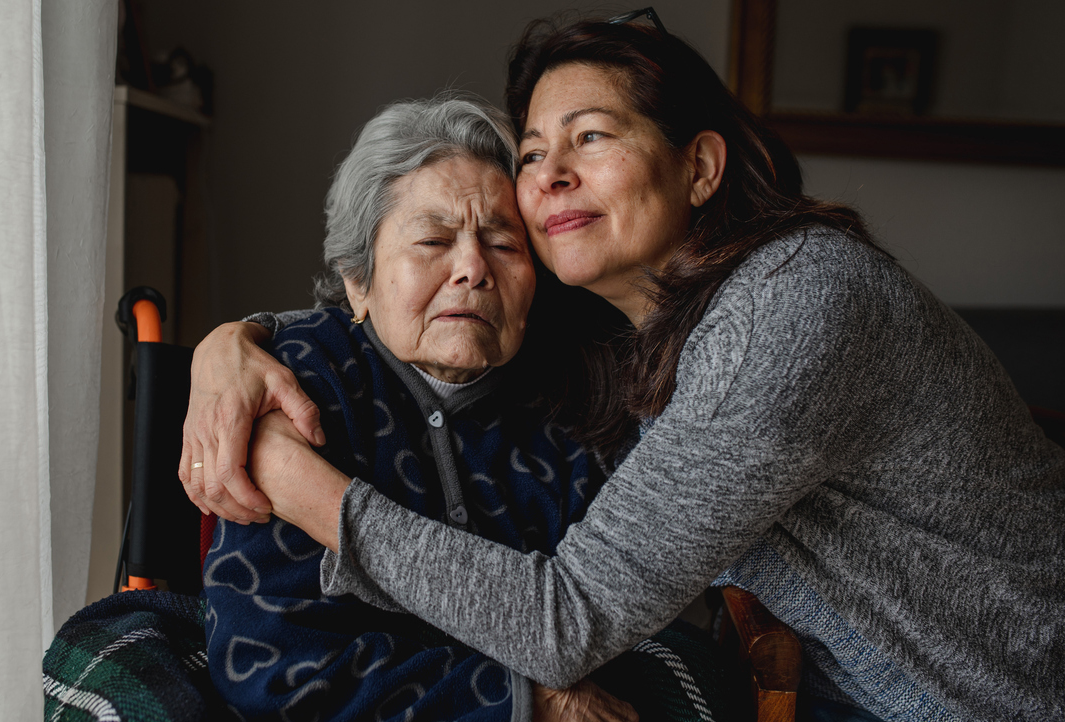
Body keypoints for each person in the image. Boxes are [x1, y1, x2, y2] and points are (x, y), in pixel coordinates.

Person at [182, 15, 1065, 722]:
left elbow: (563, 622)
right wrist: (233, 343)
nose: (552, 175)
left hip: (995, 691)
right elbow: (408, 308)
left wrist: (288, 475)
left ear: (699, 167)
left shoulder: (793, 306)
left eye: (590, 136)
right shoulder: (634, 327)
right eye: (532, 154)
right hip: (863, 683)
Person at [200, 95, 735, 722]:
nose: (472, 269)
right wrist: (523, 700)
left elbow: (619, 631)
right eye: (432, 240)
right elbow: (274, 665)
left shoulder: (582, 400)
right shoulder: (295, 385)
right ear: (357, 279)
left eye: (505, 246)